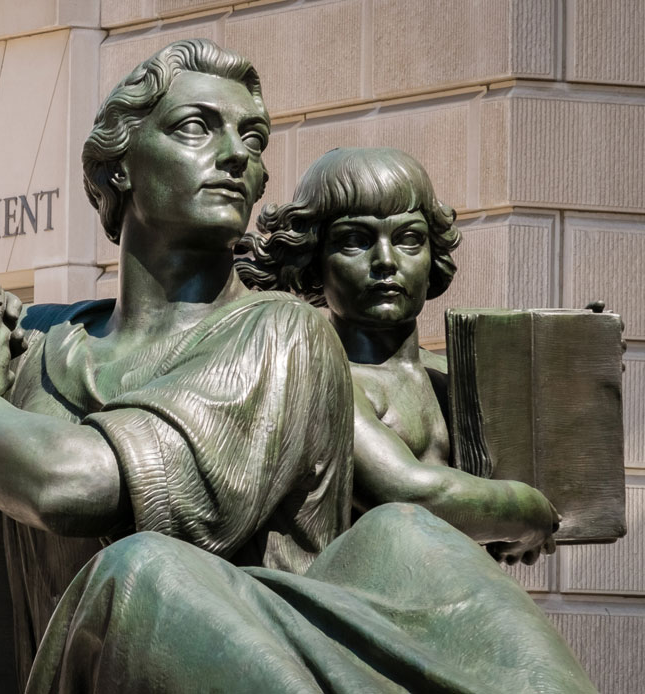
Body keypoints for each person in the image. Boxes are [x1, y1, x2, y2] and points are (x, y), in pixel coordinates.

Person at [0, 46, 595, 692]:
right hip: (88, 673)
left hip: (257, 658)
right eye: (195, 128)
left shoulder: (278, 335)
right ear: (117, 171)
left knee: (161, 572)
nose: (234, 158)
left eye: (251, 141)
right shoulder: (46, 346)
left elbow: (66, 484)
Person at [238, 147, 559, 565]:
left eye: (409, 239)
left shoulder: (451, 377)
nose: (386, 261)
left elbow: (546, 475)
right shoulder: (322, 379)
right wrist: (525, 511)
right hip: (354, 611)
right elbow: (408, 495)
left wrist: (583, 376)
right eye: (355, 241)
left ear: (432, 256)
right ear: (312, 262)